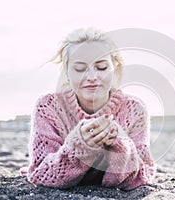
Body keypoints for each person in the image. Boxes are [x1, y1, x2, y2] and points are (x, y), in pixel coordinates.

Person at [20, 27, 155, 190]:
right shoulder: (48, 107)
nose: (91, 77)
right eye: (80, 69)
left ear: (115, 68)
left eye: (102, 67)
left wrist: (120, 144)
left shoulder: (134, 109)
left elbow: (140, 176)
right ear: (67, 72)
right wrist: (79, 146)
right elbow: (41, 174)